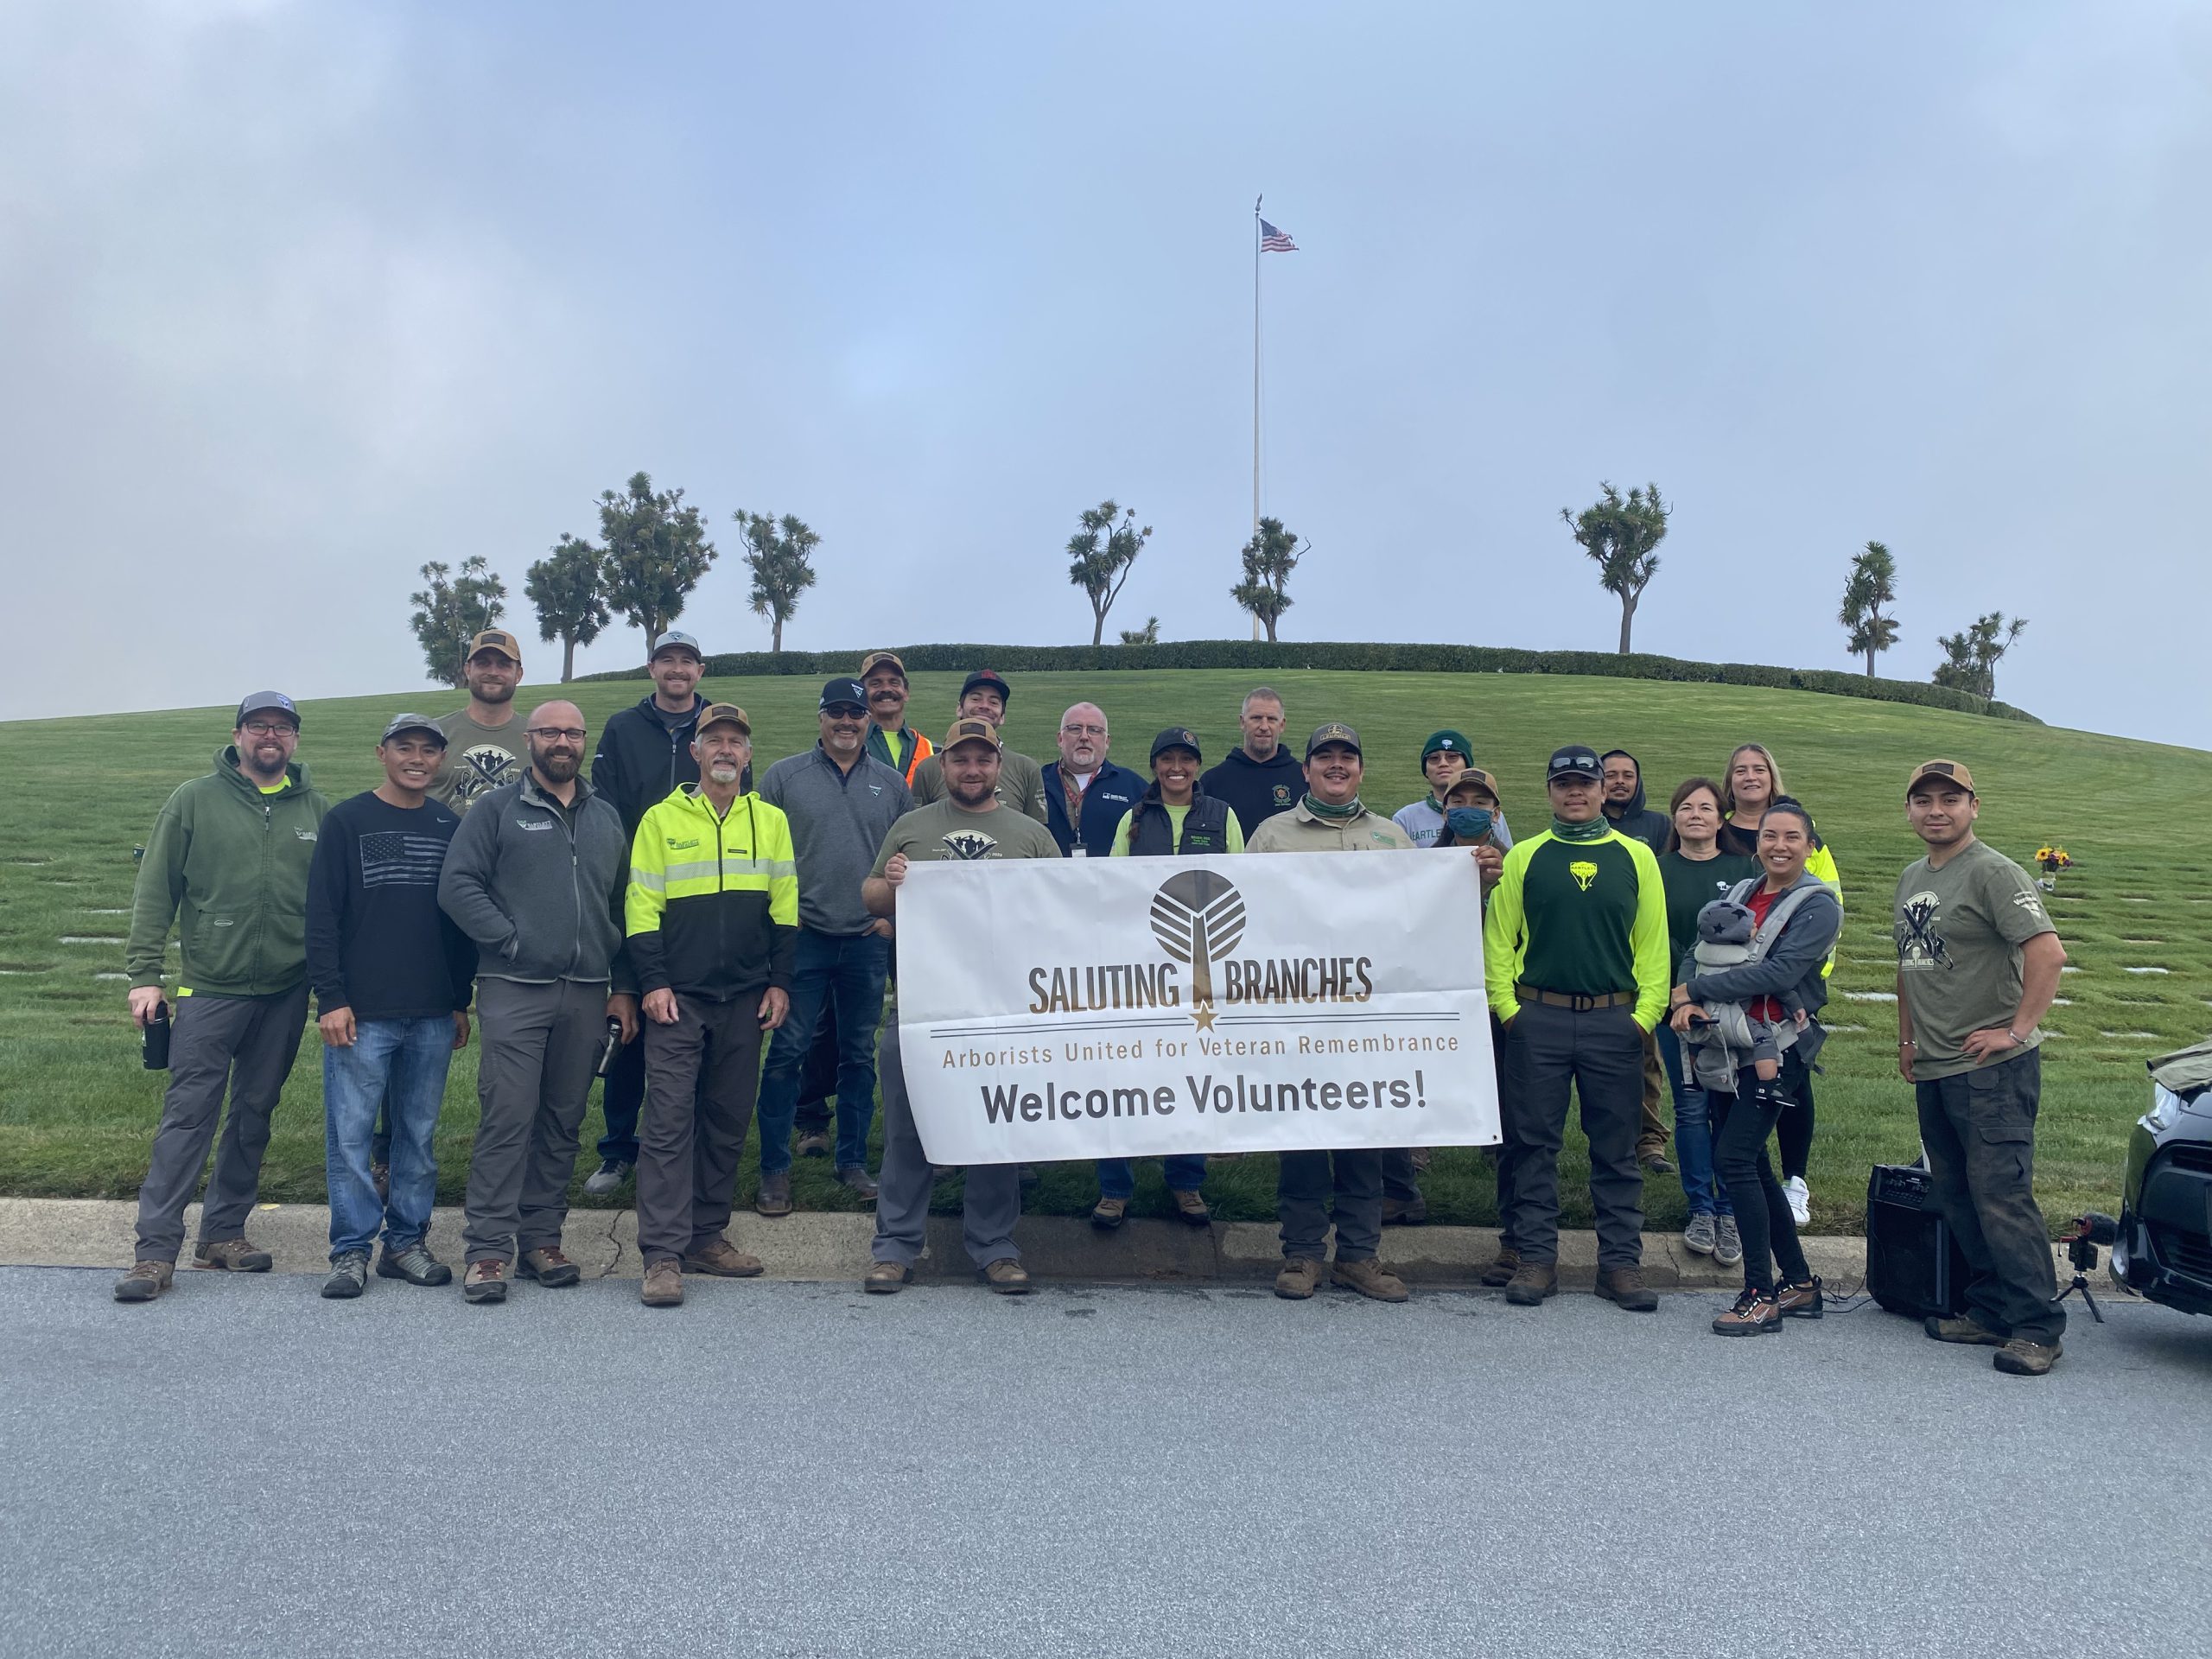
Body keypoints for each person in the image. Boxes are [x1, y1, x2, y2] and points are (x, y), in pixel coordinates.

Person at [115, 693, 331, 1303]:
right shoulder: (193, 800)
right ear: (238, 735)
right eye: (259, 725)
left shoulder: (316, 809)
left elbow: (330, 904)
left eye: (283, 727)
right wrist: (144, 975)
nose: (271, 736)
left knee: (254, 1113)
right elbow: (156, 889)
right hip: (210, 987)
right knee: (189, 1116)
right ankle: (155, 1251)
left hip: (286, 991)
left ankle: (223, 1233)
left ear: (295, 740)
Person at [437, 700, 635, 1305]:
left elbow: (623, 904)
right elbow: (457, 885)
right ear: (529, 739)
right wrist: (510, 941)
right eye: (550, 732)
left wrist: (622, 985)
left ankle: (542, 1241)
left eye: (573, 732)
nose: (562, 742)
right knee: (508, 1118)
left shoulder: (606, 816)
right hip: (515, 988)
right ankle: (488, 1251)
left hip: (587, 991)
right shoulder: (497, 809)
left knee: (561, 1122)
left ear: (584, 741)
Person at [860, 718, 1063, 1295]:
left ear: (999, 765)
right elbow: (870, 896)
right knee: (907, 1128)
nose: (972, 770)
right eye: (960, 760)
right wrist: (892, 882)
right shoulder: (912, 827)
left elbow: (1063, 911)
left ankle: (995, 1247)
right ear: (942, 765)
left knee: (996, 1125)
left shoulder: (1030, 835)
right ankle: (895, 1247)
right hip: (922, 1006)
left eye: (982, 759)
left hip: (1002, 1010)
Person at [1894, 760, 2069, 1376]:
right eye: (1923, 800)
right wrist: (1907, 1038)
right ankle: (1992, 1308)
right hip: (1937, 1064)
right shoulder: (1913, 876)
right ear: (1909, 810)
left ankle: (2037, 1327)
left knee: (2000, 1195)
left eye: (1950, 799)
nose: (1936, 810)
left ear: (1974, 806)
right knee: (1956, 1193)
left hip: (1994, 1068)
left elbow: (2048, 954)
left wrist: (2015, 1030)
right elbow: (1909, 963)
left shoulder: (1994, 872)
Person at [1482, 744, 1669, 1313]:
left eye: (1585, 783)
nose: (1575, 792)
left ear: (1603, 790)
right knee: (1532, 1146)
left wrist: (1643, 1018)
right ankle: (1536, 1258)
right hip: (1537, 1019)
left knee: (1616, 1149)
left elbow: (1653, 944)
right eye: (1563, 783)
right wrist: (1508, 1011)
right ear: (1549, 791)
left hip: (1615, 1021)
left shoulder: (1636, 856)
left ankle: (1620, 1265)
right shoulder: (1525, 856)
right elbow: (1499, 940)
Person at [626, 703, 798, 1307]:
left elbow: (785, 906)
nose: (725, 749)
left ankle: (705, 1235)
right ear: (695, 752)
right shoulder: (660, 819)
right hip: (679, 998)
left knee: (726, 1120)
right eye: (714, 740)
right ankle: (662, 1254)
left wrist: (779, 982)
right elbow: (641, 907)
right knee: (669, 1122)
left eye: (736, 741)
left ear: (748, 756)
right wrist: (653, 982)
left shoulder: (771, 820)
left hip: (746, 997)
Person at [306, 714, 477, 1299]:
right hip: (362, 1013)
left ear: (441, 761)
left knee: (417, 1137)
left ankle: (405, 1243)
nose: (417, 759)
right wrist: (331, 998)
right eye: (405, 748)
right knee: (351, 1138)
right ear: (382, 753)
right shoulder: (348, 820)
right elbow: (322, 916)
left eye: (429, 750)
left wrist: (459, 1001)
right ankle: (350, 1250)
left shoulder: (449, 826)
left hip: (432, 1011)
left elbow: (459, 925)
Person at [1247, 723, 1415, 1303]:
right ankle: (1301, 1253)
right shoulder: (1272, 835)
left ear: (1361, 769)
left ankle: (1359, 1256)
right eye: (1325, 757)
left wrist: (1472, 878)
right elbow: (1249, 917)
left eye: (1348, 756)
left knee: (1364, 1132)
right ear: (1306, 770)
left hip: (1369, 1014)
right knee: (1302, 1134)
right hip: (1295, 1011)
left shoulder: (1392, 836)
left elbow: (1422, 912)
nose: (1336, 765)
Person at [1668, 799, 1841, 1335]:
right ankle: (1799, 1283)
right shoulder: (1742, 892)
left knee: (1734, 1159)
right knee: (1753, 1164)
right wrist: (1687, 997)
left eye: (1792, 837)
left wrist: (1696, 991)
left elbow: (1779, 972)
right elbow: (1698, 948)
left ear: (1810, 846)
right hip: (1726, 1045)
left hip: (1777, 1050)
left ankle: (1760, 1294)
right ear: (1757, 841)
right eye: (1770, 836)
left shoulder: (1819, 905)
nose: (1779, 846)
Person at [753, 678, 913, 1211]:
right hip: (803, 939)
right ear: (821, 717)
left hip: (866, 940)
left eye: (856, 713)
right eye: (837, 712)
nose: (847, 721)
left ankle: (852, 1162)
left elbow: (908, 858)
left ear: (869, 719)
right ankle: (774, 1170)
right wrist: (779, 922)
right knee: (787, 1052)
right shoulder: (784, 777)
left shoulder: (891, 783)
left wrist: (892, 919)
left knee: (858, 1056)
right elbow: (760, 854)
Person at [581, 630, 715, 1197]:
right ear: (651, 668)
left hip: (701, 894)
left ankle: (689, 1147)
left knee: (690, 1024)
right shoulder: (623, 727)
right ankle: (618, 1150)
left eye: (687, 661)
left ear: (700, 671)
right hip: (633, 884)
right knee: (629, 1019)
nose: (677, 669)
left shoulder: (719, 724)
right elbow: (605, 805)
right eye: (667, 660)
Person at [1090, 727, 1241, 1230]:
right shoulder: (1134, 816)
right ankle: (1114, 1188)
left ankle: (1186, 1180)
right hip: (1141, 962)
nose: (1177, 768)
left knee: (1192, 1073)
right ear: (1154, 766)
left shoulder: (1222, 815)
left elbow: (1244, 882)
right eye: (1167, 759)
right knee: (1123, 1073)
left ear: (1198, 766)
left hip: (1201, 963)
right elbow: (1112, 886)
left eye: (1186, 759)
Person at [1716, 742, 1841, 1225]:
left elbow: (1826, 904)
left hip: (1792, 996)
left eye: (1759, 769)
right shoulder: (1722, 832)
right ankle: (1754, 1201)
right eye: (1740, 770)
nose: (1750, 777)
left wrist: (1810, 978)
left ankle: (1795, 1182)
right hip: (1733, 996)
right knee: (1737, 1127)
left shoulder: (1806, 835)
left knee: (1791, 1086)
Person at [1390, 771, 1508, 1230]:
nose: (1468, 808)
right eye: (1459, 801)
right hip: (1439, 983)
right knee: (1423, 1067)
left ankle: (1498, 1148)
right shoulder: (1424, 864)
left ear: (1495, 813)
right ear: (1444, 809)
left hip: (1497, 987)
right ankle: (1415, 1151)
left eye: (1480, 801)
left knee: (1501, 1071)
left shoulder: (1515, 864)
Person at [1654, 779, 1759, 1264]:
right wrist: (1678, 992)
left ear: (1722, 817)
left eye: (1706, 807)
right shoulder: (1656, 869)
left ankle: (1729, 1209)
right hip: (1674, 1006)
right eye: (1686, 808)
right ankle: (1701, 1207)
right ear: (1674, 817)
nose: (1695, 815)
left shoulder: (1744, 870)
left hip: (1732, 1007)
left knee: (1730, 1106)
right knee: (1692, 1107)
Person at [910, 668, 1051, 823]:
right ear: (959, 708)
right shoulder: (927, 769)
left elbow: (1037, 831)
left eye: (993, 702)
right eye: (976, 699)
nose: (985, 706)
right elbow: (917, 826)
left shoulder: (1026, 769)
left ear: (1002, 716)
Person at [429, 628, 529, 814]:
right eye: (483, 663)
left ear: (518, 674)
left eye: (503, 665)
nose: (493, 672)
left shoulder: (537, 738)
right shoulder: (434, 733)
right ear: (468, 670)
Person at [1198, 685, 1303, 839]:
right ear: (1242, 722)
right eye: (1256, 718)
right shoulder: (1213, 781)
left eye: (1272, 719)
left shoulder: (1304, 779)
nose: (1264, 727)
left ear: (1282, 725)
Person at [1043, 702, 1144, 859]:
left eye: (1094, 730)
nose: (1084, 737)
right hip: (1047, 875)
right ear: (1060, 739)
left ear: (1107, 741)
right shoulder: (1037, 782)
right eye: (1075, 728)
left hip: (1112, 875)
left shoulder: (1133, 786)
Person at [1392, 732, 1516, 850]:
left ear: (1467, 765)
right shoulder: (1405, 817)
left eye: (1452, 757)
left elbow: (1509, 858)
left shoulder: (1490, 814)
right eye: (1434, 758)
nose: (1443, 763)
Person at [859, 650, 933, 785]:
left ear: (906, 693)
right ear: (862, 694)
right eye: (876, 683)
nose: (886, 689)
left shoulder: (925, 746)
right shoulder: (853, 742)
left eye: (894, 682)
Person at [1599, 751, 1670, 850]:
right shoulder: (1587, 824)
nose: (1620, 781)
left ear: (1638, 782)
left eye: (1628, 776)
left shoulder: (1659, 824)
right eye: (1611, 776)